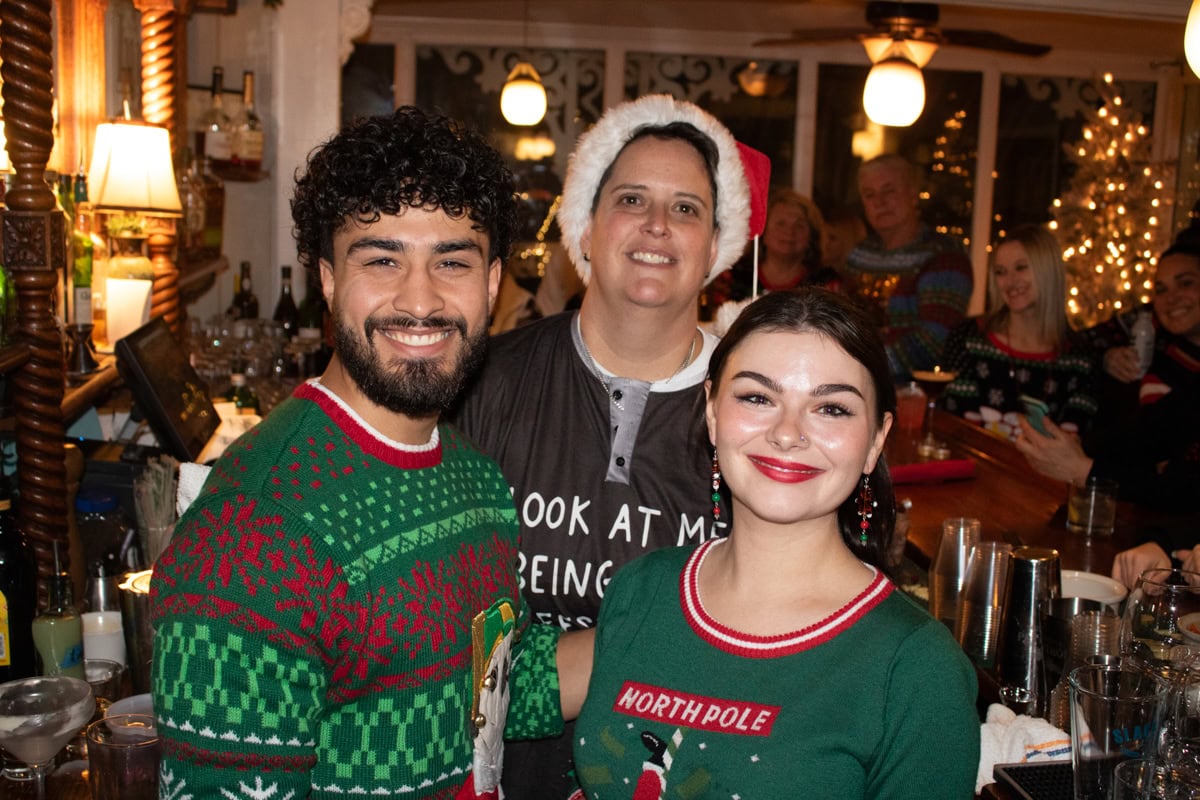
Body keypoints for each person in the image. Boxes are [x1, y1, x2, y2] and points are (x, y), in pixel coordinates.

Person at [150, 107, 581, 798]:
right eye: (382, 260)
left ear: (492, 283)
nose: (421, 300)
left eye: (452, 262)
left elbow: (492, 691)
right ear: (327, 279)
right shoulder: (251, 537)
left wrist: (681, 617)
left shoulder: (473, 475)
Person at [452, 94, 752, 798]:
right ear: (584, 230)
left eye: (686, 208)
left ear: (715, 248)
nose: (657, 225)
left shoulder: (758, 410)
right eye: (631, 199)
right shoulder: (483, 382)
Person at [572, 288, 980, 798]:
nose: (788, 434)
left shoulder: (918, 668)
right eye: (757, 398)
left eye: (831, 408)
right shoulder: (639, 589)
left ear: (876, 439)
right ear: (713, 412)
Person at [1017, 240, 1200, 518]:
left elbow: (1183, 489)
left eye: (1185, 283)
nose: (1171, 298)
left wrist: (1084, 468)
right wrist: (1077, 448)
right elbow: (1150, 431)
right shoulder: (1155, 337)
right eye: (1161, 289)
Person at [943, 224, 1097, 440]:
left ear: (1047, 271)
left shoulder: (1079, 358)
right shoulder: (968, 339)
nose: (1010, 281)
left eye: (1021, 268)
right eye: (1001, 272)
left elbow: (1072, 443)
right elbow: (952, 427)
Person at [843, 153, 974, 379]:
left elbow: (935, 339)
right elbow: (842, 322)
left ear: (913, 194)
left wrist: (865, 370)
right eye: (869, 194)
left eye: (889, 191)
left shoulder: (944, 256)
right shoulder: (860, 254)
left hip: (918, 391)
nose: (879, 203)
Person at [703, 188, 839, 313]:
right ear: (763, 233)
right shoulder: (732, 277)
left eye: (799, 225)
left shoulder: (825, 283)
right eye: (780, 223)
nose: (789, 231)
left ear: (812, 237)